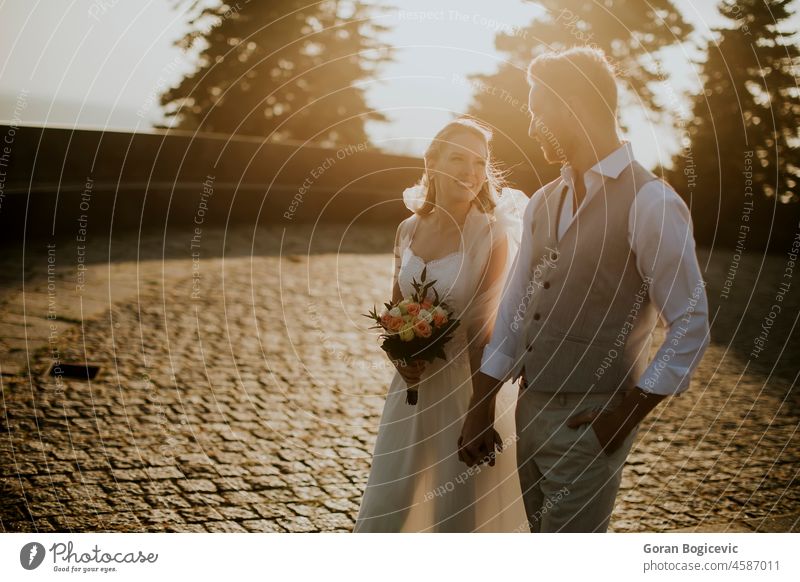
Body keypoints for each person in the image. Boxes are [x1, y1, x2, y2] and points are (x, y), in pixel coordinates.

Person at [459, 47, 711, 533]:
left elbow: (690, 322)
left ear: (573, 104)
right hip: (527, 413)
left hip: (590, 422)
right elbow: (515, 310)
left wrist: (624, 414)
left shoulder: (652, 202)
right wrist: (481, 406)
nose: (532, 128)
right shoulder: (544, 202)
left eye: (538, 111)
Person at [354, 118, 529, 532]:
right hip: (409, 391)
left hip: (464, 390)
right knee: (390, 499)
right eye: (458, 158)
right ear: (431, 162)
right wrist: (400, 356)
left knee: (455, 509)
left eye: (479, 162)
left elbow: (484, 329)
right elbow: (396, 308)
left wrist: (478, 411)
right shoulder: (408, 228)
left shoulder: (491, 235)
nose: (470, 172)